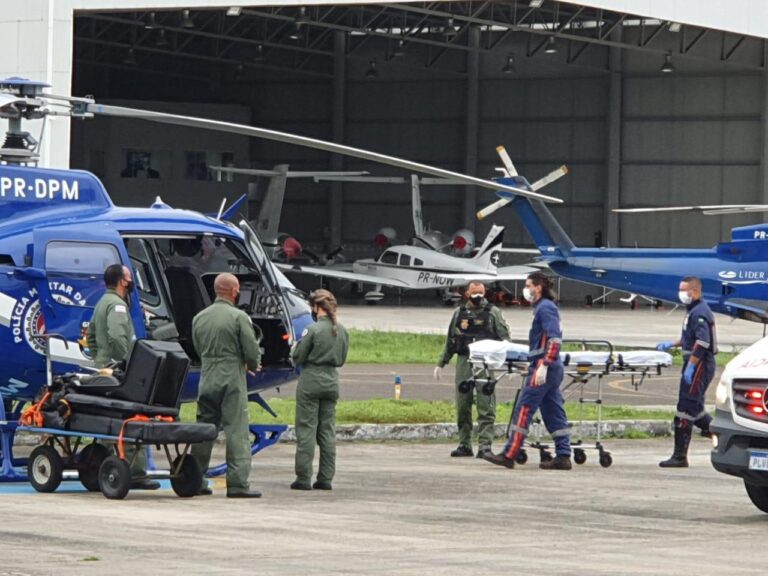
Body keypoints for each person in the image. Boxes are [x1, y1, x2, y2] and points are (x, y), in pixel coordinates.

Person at [483, 272, 572, 470]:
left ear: (538, 287)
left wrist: (544, 364)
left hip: (544, 366)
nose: (526, 289)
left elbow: (554, 339)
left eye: (528, 285)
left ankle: (509, 454)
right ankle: (564, 455)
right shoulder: (545, 307)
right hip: (548, 365)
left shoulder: (545, 308)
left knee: (524, 409)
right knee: (553, 411)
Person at [190, 273, 263, 498]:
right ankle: (238, 483)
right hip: (231, 375)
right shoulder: (239, 317)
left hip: (208, 375)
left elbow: (197, 347)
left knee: (204, 429)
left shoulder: (199, 318)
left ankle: (195, 479)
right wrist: (253, 363)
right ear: (234, 291)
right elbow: (251, 348)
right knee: (236, 430)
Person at [87, 264, 159, 490]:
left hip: (102, 368)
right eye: (129, 277)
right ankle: (134, 472)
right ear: (122, 281)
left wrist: (100, 358)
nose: (132, 280)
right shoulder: (117, 305)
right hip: (116, 371)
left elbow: (90, 336)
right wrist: (124, 362)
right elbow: (118, 337)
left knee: (106, 420)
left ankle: (104, 466)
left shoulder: (101, 303)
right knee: (128, 418)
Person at [434, 281, 510, 459]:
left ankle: (485, 445)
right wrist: (441, 363)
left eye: (481, 293)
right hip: (464, 361)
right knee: (463, 404)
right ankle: (464, 444)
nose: (478, 296)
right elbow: (451, 341)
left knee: (486, 404)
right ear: (467, 293)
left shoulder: (493, 313)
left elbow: (505, 340)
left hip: (485, 362)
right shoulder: (459, 313)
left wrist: (509, 364)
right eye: (474, 292)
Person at [656, 276, 717, 467]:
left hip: (699, 364)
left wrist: (691, 366)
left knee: (685, 409)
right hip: (694, 362)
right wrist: (671, 344)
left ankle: (680, 456)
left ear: (696, 291)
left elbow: (703, 342)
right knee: (696, 410)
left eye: (685, 291)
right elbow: (690, 338)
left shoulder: (700, 313)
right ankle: (721, 436)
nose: (682, 294)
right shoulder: (692, 311)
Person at [290, 289, 349, 491]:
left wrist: (293, 347)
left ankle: (303, 477)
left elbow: (299, 356)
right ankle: (325, 478)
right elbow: (341, 359)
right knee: (327, 431)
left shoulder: (312, 330)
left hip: (311, 381)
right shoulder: (342, 331)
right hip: (332, 381)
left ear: (316, 307)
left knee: (306, 429)